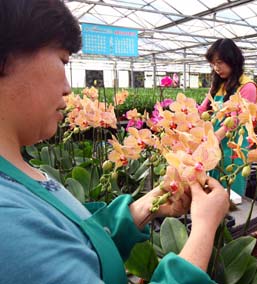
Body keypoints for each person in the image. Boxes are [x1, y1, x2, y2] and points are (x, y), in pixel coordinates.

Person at [0, 1, 229, 283]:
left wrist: (151, 202)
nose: (68, 87)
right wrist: (205, 228)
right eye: (62, 60)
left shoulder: (18, 174)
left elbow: (79, 242)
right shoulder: (7, 224)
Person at [198, 38, 257, 196]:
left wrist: (217, 136)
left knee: (231, 191)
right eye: (213, 64)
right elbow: (203, 109)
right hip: (214, 143)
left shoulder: (247, 86)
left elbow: (238, 118)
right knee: (212, 186)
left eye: (220, 62)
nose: (216, 68)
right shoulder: (217, 85)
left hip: (233, 146)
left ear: (232, 60)